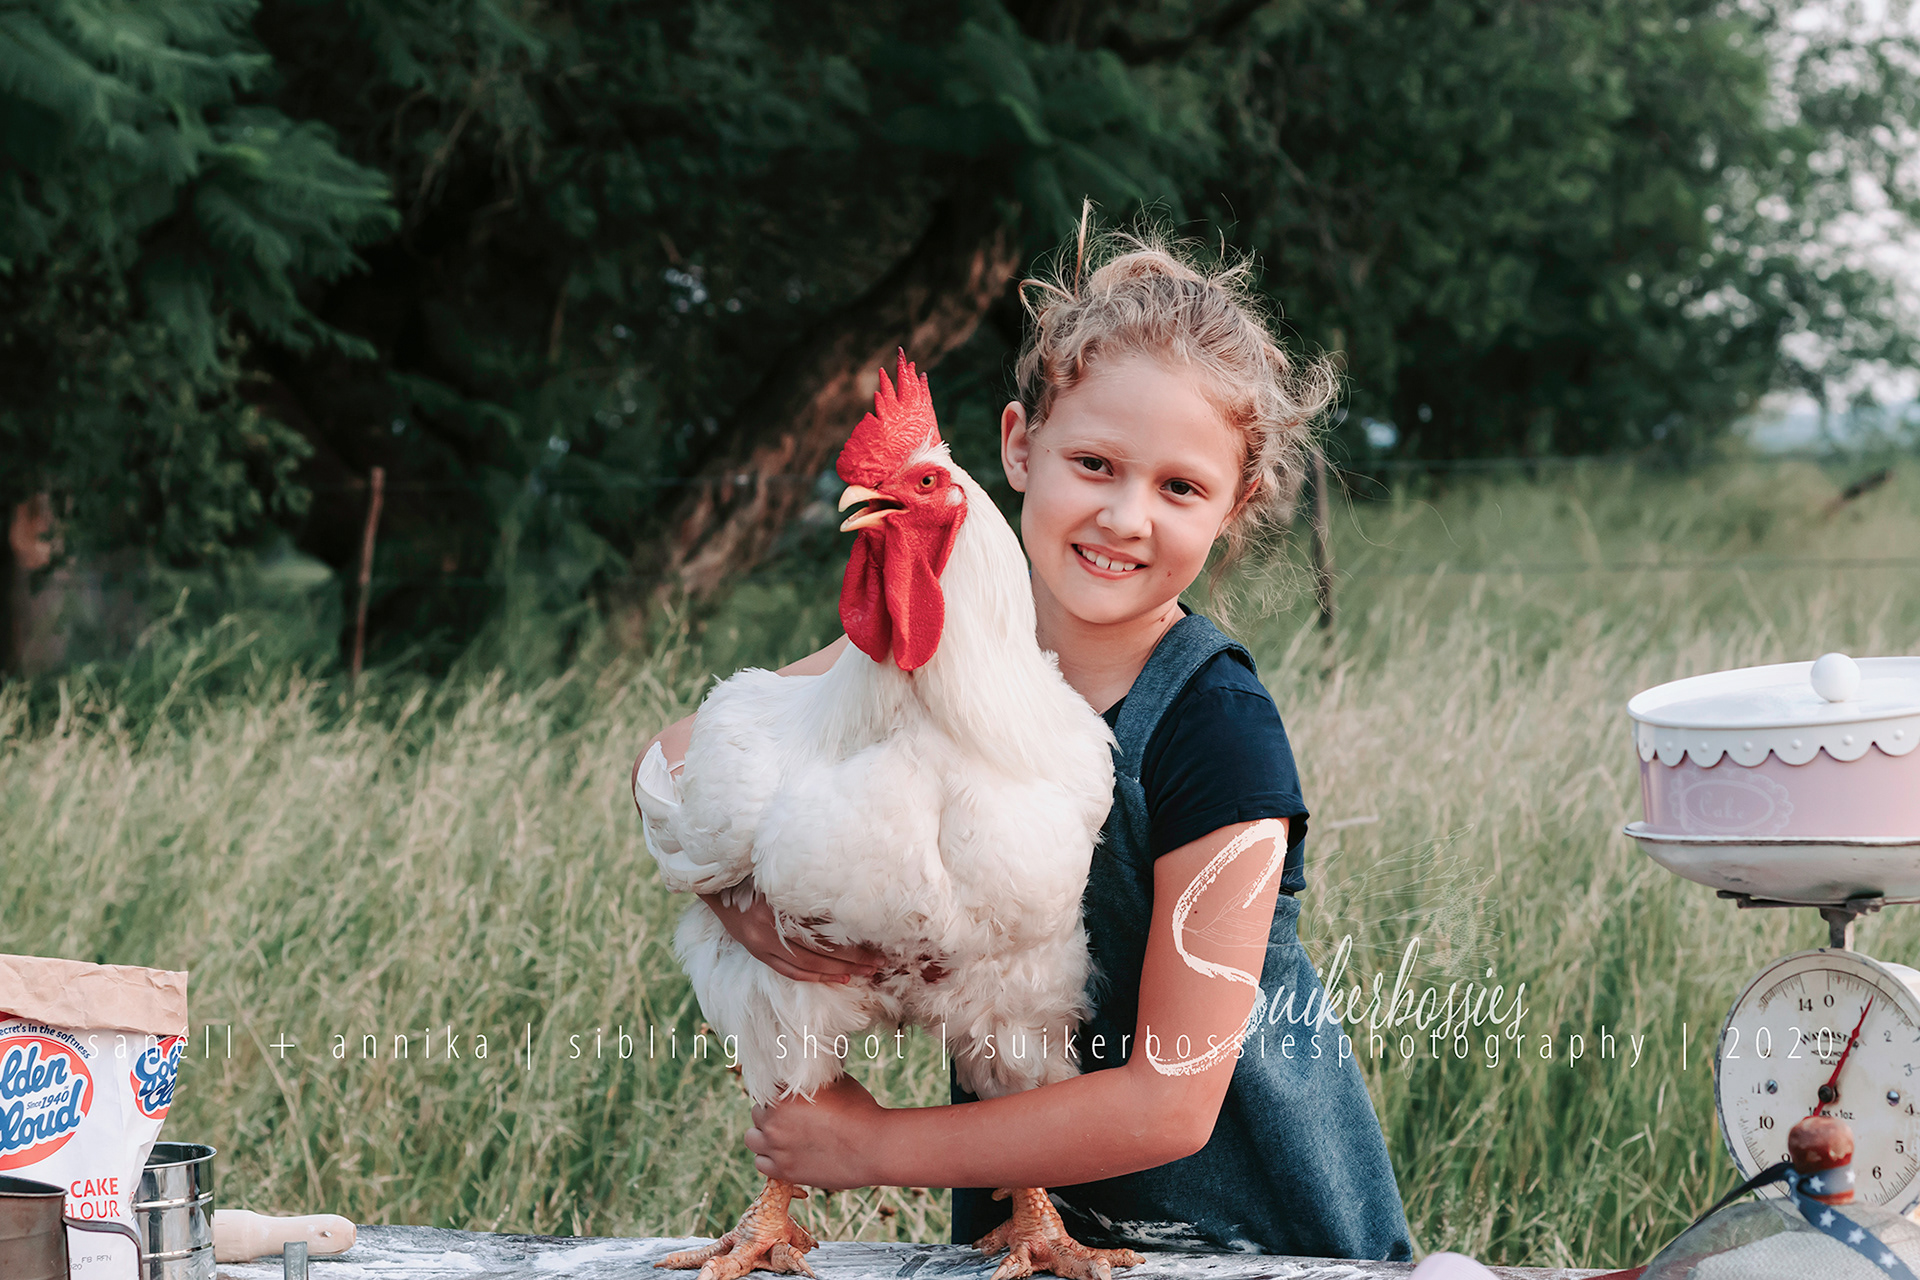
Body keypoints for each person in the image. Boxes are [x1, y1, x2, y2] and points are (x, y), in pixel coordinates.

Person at [637, 219, 1414, 1264]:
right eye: (1093, 462)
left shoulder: (1215, 731)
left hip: (1256, 1233)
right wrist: (746, 901)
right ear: (1017, 446)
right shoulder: (936, 644)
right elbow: (682, 750)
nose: (1126, 516)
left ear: (1235, 509)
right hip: (1031, 1235)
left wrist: (870, 1146)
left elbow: (1172, 1100)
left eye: (1179, 486)